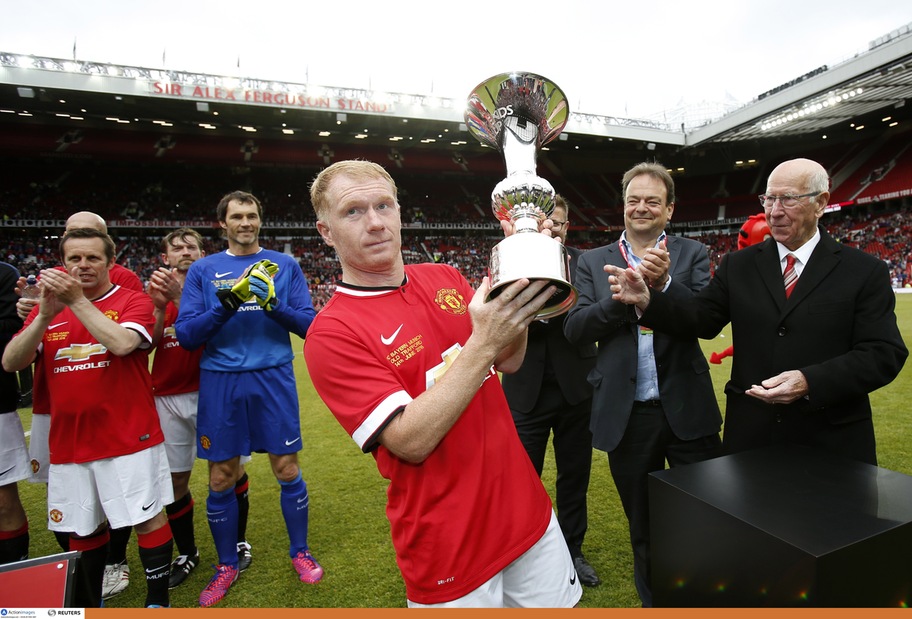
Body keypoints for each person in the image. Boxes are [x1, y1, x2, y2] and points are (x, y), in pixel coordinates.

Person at [304, 160, 581, 608]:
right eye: (353, 212)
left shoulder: (444, 277)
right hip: (448, 545)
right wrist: (483, 344)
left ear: (398, 211)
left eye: (383, 206)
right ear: (326, 231)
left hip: (525, 514)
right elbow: (410, 440)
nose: (375, 222)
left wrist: (521, 277)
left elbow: (510, 358)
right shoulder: (332, 333)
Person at [605, 157, 908, 466]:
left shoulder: (863, 270)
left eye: (788, 199)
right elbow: (700, 319)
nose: (774, 211)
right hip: (751, 437)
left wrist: (809, 381)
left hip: (832, 439)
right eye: (769, 199)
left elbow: (883, 353)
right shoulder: (739, 264)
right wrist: (649, 297)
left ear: (821, 203)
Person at [563, 162, 722, 607]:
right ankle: (657, 605)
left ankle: (705, 600)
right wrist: (622, 300)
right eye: (634, 199)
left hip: (688, 410)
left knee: (707, 515)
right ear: (623, 205)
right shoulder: (594, 262)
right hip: (628, 416)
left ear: (669, 210)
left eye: (653, 200)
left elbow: (704, 322)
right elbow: (575, 329)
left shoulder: (691, 254)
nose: (641, 207)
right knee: (644, 526)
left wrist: (663, 285)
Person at [2, 228, 174, 608]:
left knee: (145, 517)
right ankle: (88, 604)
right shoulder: (47, 311)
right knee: (83, 528)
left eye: (93, 258)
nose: (83, 266)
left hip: (128, 437)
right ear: (62, 264)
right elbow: (11, 361)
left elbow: (123, 343)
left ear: (111, 262)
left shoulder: (132, 301)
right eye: (74, 259)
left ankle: (157, 602)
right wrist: (43, 316)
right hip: (69, 443)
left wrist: (76, 301)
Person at [174, 190, 322, 607]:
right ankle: (226, 565)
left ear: (260, 220)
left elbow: (310, 325)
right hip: (221, 381)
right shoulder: (204, 270)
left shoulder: (284, 264)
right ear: (222, 223)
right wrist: (229, 302)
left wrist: (271, 304)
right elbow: (187, 335)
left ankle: (300, 552)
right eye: (237, 216)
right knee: (221, 476)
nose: (245, 222)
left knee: (287, 467)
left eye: (252, 215)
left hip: (272, 376)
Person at [500, 195, 600, 588]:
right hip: (525, 388)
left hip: (578, 388)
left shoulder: (583, 263)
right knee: (523, 479)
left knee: (574, 477)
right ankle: (523, 553)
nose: (552, 228)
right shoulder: (510, 257)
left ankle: (573, 551)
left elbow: (589, 315)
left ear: (566, 224)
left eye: (557, 222)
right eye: (545, 222)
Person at [147, 227, 255, 588]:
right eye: (175, 248)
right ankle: (188, 551)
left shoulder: (217, 279)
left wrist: (183, 297)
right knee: (175, 478)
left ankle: (238, 542)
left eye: (190, 246)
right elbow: (144, 342)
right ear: (166, 258)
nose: (183, 252)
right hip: (166, 394)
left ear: (201, 251)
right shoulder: (152, 293)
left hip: (215, 388)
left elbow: (233, 328)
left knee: (229, 470)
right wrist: (162, 307)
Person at [0, 260, 28, 565]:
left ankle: (13, 573)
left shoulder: (4, 274)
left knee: (3, 501)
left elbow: (13, 329)